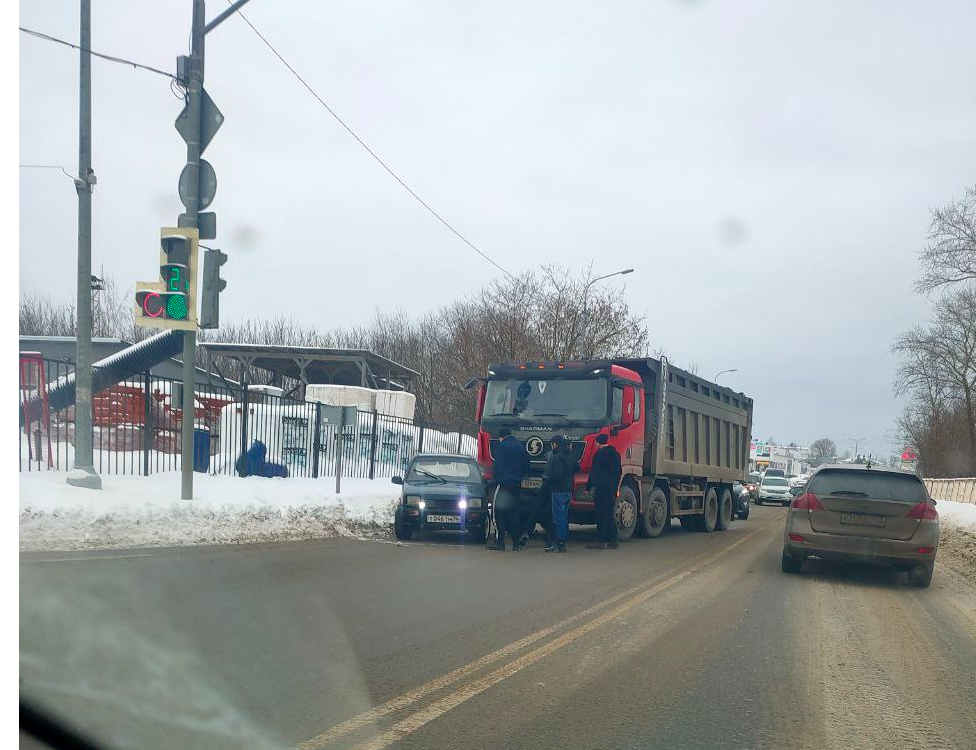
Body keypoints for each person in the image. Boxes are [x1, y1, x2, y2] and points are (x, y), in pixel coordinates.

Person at [486, 427, 530, 551]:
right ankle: (516, 543)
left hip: (503, 484)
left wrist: (496, 479)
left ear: (502, 437)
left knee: (498, 512)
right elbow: (527, 466)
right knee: (514, 513)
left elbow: (498, 466)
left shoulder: (503, 447)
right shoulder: (521, 447)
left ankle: (500, 542)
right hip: (516, 485)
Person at [586, 433, 622, 549]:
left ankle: (601, 540)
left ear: (597, 442)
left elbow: (594, 472)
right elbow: (619, 471)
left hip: (602, 488)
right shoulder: (616, 454)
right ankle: (613, 540)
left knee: (601, 513)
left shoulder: (599, 455)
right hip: (612, 488)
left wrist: (588, 486)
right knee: (610, 513)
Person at [544, 435, 577, 553]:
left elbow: (558, 474)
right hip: (568, 490)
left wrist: (549, 480)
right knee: (564, 517)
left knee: (558, 517)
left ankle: (560, 542)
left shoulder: (558, 457)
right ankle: (563, 542)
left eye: (552, 444)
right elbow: (578, 467)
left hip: (558, 490)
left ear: (555, 444)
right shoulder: (569, 456)